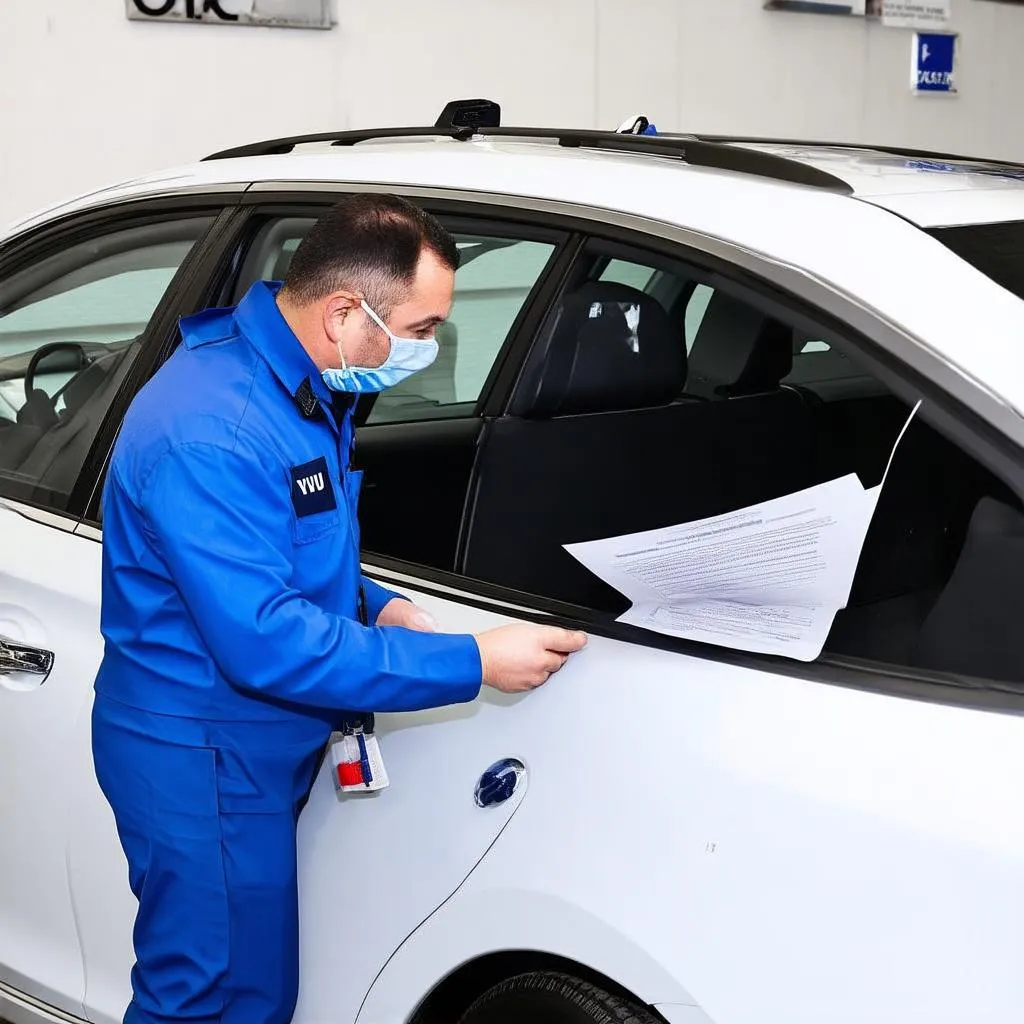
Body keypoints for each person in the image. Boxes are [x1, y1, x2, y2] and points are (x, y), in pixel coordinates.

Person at [90, 193, 588, 1024]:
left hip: (245, 748)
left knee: (253, 995)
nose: (428, 349)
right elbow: (266, 641)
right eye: (422, 330)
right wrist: (473, 661)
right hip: (201, 755)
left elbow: (291, 547)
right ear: (344, 313)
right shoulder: (215, 426)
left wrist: (378, 605)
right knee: (201, 998)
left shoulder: (300, 386)